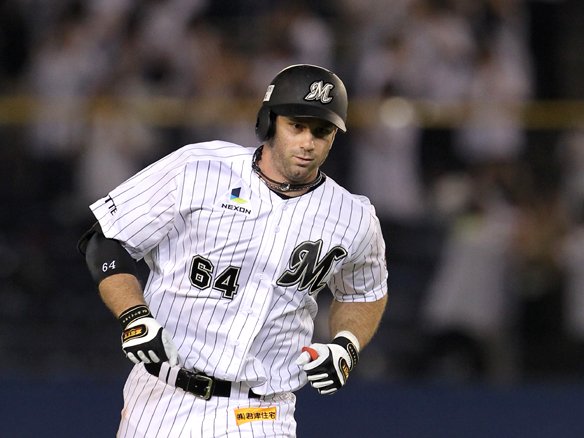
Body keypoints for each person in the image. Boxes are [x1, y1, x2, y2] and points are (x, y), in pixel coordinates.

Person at [78, 64, 388, 437]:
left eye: (321, 131)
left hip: (261, 411)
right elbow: (105, 240)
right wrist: (134, 316)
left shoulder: (353, 216)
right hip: (162, 397)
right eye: (297, 126)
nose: (308, 142)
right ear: (270, 121)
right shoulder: (199, 167)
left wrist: (346, 344)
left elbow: (365, 292)